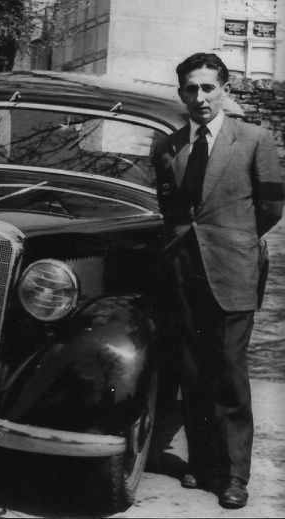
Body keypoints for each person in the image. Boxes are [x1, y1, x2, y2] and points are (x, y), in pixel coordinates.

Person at [152, 52, 284, 509]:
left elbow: (270, 208)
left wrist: (235, 243)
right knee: (192, 369)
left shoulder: (253, 139)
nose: (200, 97)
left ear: (224, 89)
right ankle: (202, 464)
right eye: (191, 88)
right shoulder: (167, 147)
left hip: (232, 270)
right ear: (181, 93)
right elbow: (170, 211)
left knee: (228, 371)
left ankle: (233, 476)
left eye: (208, 87)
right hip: (182, 271)